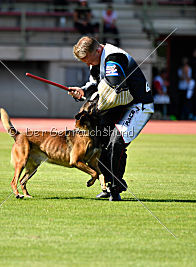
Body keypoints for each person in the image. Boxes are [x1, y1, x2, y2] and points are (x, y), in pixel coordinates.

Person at [68, 36, 154, 201]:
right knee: (100, 143)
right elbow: (95, 84)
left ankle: (115, 187)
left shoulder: (114, 59)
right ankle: (110, 185)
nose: (88, 64)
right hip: (119, 104)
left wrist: (95, 102)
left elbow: (114, 84)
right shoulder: (96, 62)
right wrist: (82, 91)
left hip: (138, 105)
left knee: (116, 143)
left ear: (98, 50)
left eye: (88, 60)